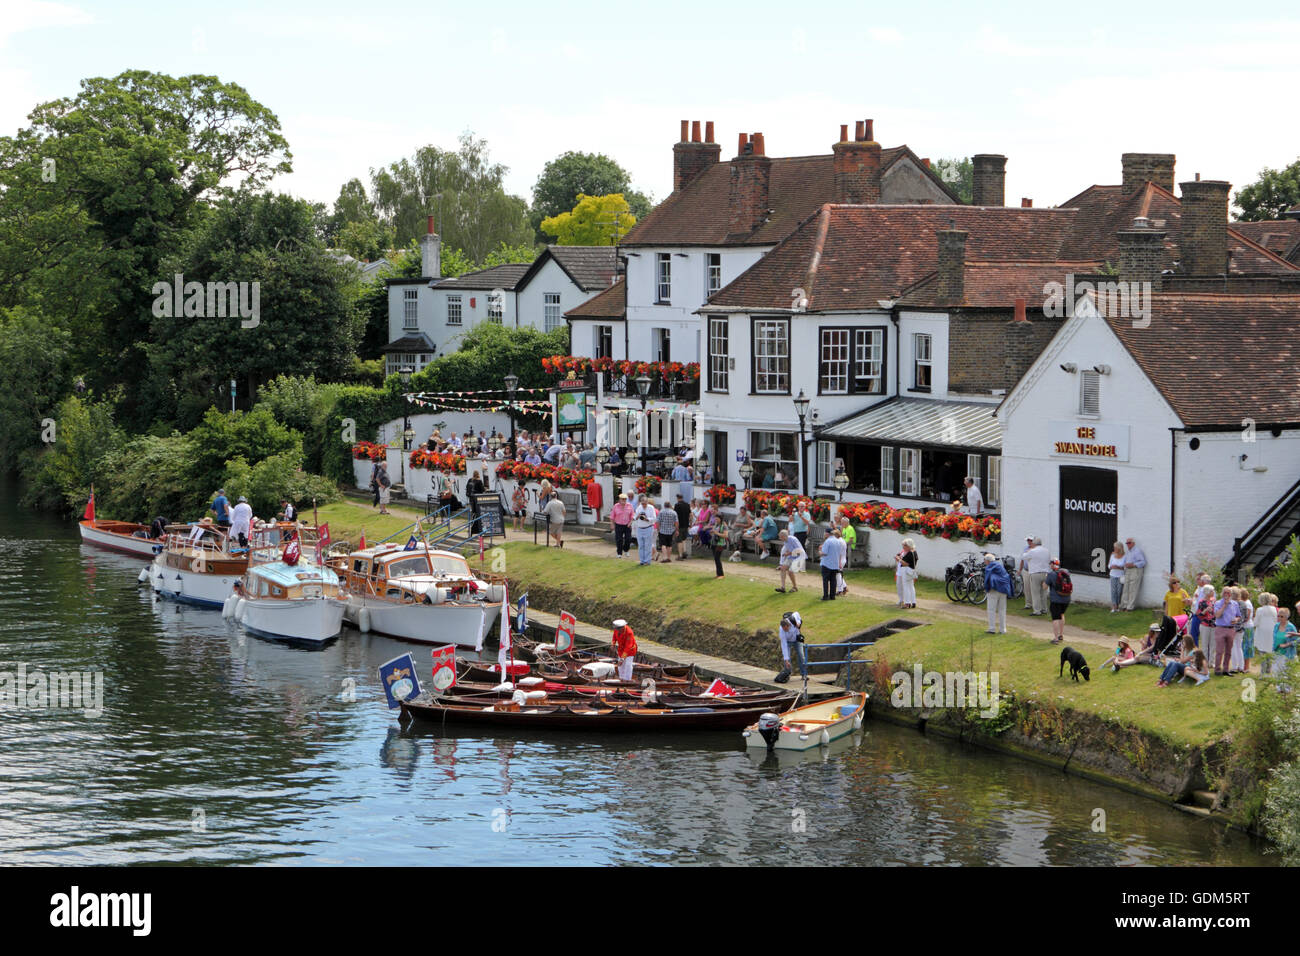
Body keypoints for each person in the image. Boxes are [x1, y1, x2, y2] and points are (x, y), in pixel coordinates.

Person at [983, 552, 1011, 633]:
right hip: (1003, 589)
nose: (984, 562)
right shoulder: (1000, 566)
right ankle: (1003, 629)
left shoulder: (989, 567)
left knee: (991, 610)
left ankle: (992, 629)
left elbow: (987, 579)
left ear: (988, 561)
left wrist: (987, 589)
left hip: (994, 590)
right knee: (1002, 610)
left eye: (985, 560)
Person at [1045, 558, 1071, 644]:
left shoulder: (1051, 574)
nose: (1050, 565)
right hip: (1066, 599)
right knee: (1061, 614)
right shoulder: (1066, 572)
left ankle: (1055, 639)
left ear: (1053, 564)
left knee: (1055, 618)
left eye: (1050, 564)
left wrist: (1045, 579)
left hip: (1056, 600)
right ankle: (1061, 635)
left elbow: (1044, 587)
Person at [774, 611, 804, 683]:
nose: (785, 631)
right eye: (784, 629)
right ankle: (787, 674)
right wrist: (786, 659)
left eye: (786, 629)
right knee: (787, 659)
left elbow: (797, 613)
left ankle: (804, 674)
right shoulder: (781, 630)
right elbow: (783, 644)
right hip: (787, 642)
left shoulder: (793, 618)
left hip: (796, 639)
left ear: (788, 625)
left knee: (801, 655)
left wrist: (798, 623)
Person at [1024, 537, 1050, 616]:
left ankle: (1037, 610)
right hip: (1045, 573)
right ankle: (1044, 609)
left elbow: (1024, 557)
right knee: (1043, 592)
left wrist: (1028, 551)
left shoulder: (1032, 551)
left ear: (1034, 543)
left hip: (1035, 573)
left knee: (1035, 593)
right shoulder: (1046, 551)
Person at [1254, 592, 1278, 675]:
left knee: (1262, 652)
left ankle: (1263, 672)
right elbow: (1275, 620)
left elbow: (1256, 623)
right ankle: (1268, 670)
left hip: (1262, 632)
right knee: (1269, 651)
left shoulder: (1260, 610)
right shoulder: (1274, 609)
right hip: (1271, 632)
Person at [819, 529, 846, 601]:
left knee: (825, 580)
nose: (824, 535)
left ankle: (825, 596)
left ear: (827, 534)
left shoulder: (827, 541)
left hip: (827, 563)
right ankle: (832, 596)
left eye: (825, 533)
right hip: (835, 564)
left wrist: (819, 552)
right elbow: (839, 553)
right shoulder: (838, 541)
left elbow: (824, 553)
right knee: (833, 580)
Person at [1120, 536, 1146, 611]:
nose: (1128, 544)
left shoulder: (1137, 551)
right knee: (1125, 589)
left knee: (1133, 589)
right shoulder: (1128, 552)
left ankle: (1130, 607)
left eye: (1129, 543)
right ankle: (1123, 606)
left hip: (1135, 570)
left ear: (1133, 543)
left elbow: (1143, 562)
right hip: (1128, 570)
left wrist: (1133, 564)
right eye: (1127, 543)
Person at [632, 495, 657, 566]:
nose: (643, 505)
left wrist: (647, 519)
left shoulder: (651, 508)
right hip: (640, 528)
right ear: (640, 502)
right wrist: (637, 516)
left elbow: (654, 518)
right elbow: (635, 517)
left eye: (645, 503)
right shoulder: (639, 507)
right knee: (640, 545)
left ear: (647, 502)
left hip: (648, 528)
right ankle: (642, 560)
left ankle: (647, 561)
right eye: (642, 503)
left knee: (647, 545)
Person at [895, 539, 918, 609]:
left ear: (909, 545)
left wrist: (898, 559)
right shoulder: (914, 552)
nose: (903, 546)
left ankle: (907, 603)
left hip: (906, 570)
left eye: (905, 545)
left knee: (906, 587)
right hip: (911, 571)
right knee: (911, 586)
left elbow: (905, 563)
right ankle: (913, 602)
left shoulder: (910, 553)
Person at [610, 493, 634, 558]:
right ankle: (619, 553)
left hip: (627, 525)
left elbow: (632, 515)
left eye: (625, 499)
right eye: (622, 499)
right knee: (619, 539)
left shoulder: (629, 506)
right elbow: (612, 516)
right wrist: (612, 524)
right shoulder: (616, 506)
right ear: (619, 500)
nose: (624, 500)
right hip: (618, 525)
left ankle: (626, 550)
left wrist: (630, 522)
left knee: (628, 539)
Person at [465, 470, 486, 535]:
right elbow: (482, 490)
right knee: (477, 512)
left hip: (471, 497)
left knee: (473, 511)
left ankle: (472, 523)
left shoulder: (469, 480)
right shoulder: (479, 481)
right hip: (477, 498)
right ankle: (476, 525)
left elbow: (467, 488)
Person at [1107, 542, 1125, 613]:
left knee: (1119, 591)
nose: (1114, 549)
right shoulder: (1112, 555)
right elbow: (1109, 565)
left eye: (1115, 548)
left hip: (1120, 575)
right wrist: (1111, 567)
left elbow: (1125, 568)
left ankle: (1118, 605)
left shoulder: (1124, 556)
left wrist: (1118, 567)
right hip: (1113, 575)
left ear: (1119, 548)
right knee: (1113, 591)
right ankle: (1114, 606)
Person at [1018, 535, 1035, 610]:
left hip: (1034, 571)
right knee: (1027, 588)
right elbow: (1022, 560)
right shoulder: (1025, 549)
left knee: (1034, 588)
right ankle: (1028, 604)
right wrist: (1020, 570)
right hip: (1026, 570)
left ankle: (1036, 604)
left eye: (1030, 540)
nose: (1029, 542)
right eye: (1028, 540)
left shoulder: (1036, 549)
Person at [674, 495, 693, 559]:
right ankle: (684, 552)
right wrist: (690, 524)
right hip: (686, 525)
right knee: (684, 539)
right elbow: (691, 515)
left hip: (679, 525)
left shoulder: (677, 505)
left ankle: (680, 555)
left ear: (677, 498)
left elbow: (675, 516)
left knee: (679, 540)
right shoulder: (687, 505)